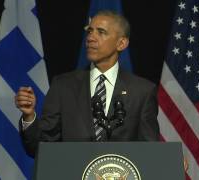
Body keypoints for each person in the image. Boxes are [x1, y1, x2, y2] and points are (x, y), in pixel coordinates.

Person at [15, 10, 160, 157]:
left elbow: (150, 151)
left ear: (121, 43)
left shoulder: (142, 91)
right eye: (90, 31)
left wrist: (169, 160)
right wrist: (29, 116)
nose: (91, 38)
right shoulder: (63, 86)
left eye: (101, 32)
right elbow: (39, 147)